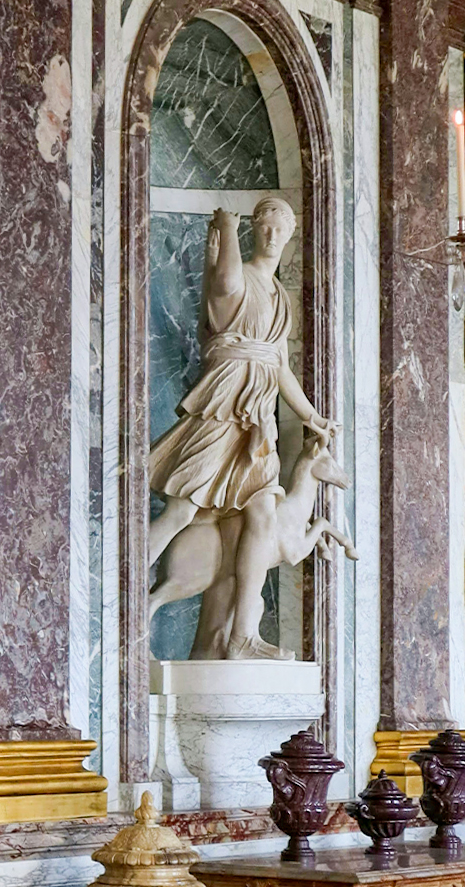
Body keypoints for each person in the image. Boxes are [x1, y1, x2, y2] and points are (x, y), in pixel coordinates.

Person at [146, 199, 337, 660]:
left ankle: (241, 637)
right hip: (222, 406)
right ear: (255, 231)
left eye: (279, 229)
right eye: (264, 227)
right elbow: (227, 283)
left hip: (259, 418)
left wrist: (310, 414)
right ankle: (118, 597)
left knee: (262, 514)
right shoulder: (235, 275)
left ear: (290, 236)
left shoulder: (280, 298)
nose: (271, 236)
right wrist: (227, 230)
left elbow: (279, 365)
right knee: (180, 512)